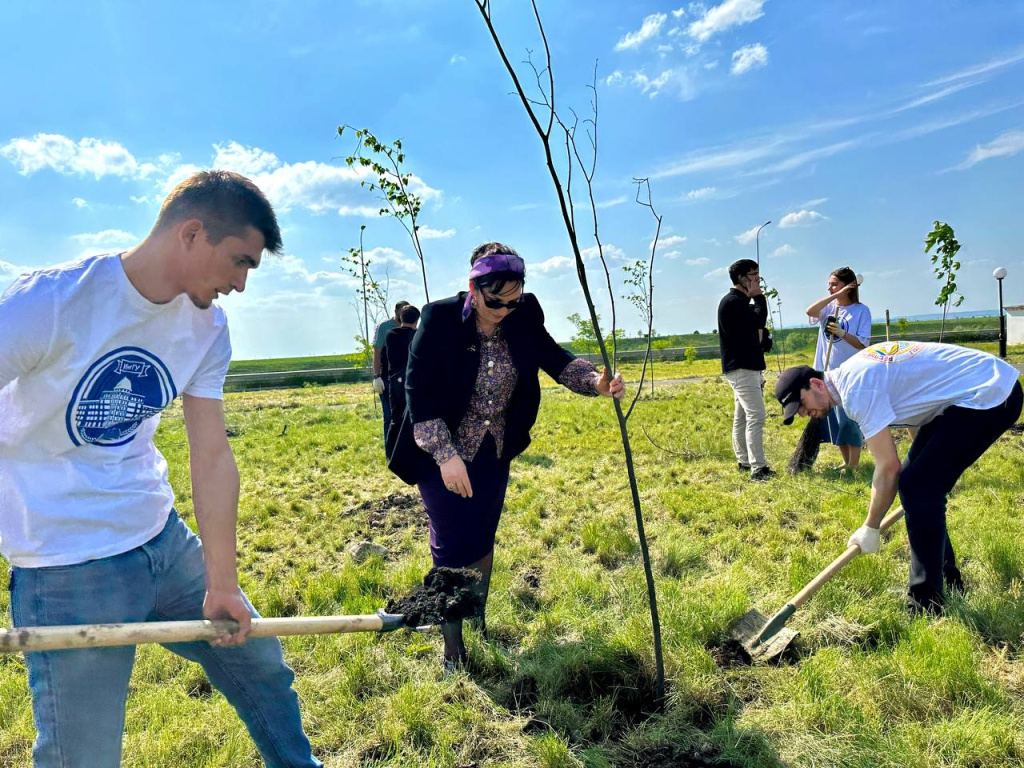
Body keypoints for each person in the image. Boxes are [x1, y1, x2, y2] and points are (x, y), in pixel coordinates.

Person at [0, 171, 322, 767]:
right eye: (239, 262)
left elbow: (213, 454)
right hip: (65, 566)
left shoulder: (206, 327)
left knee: (263, 671)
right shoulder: (50, 302)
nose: (242, 284)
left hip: (163, 543)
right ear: (191, 233)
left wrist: (221, 583)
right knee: (84, 755)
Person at [386, 242, 625, 670]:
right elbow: (416, 392)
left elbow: (555, 358)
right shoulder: (439, 318)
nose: (503, 310)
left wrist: (596, 382)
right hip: (439, 451)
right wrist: (445, 454)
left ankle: (476, 621)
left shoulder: (524, 314)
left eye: (512, 302)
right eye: (494, 301)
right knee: (450, 542)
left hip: (494, 448)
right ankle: (453, 647)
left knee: (481, 535)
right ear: (473, 288)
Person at [774, 341, 1022, 615]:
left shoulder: (856, 390)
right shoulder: (853, 375)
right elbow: (915, 404)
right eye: (798, 411)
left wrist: (871, 526)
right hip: (968, 394)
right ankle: (948, 581)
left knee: (918, 486)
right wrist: (927, 460)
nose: (804, 413)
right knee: (918, 484)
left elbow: (887, 467)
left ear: (816, 384)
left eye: (802, 404)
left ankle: (925, 603)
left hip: (990, 393)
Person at [803, 266, 872, 471]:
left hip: (849, 373)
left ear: (849, 286)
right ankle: (845, 461)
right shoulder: (829, 309)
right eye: (829, 285)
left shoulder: (861, 311)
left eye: (835, 284)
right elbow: (809, 311)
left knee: (848, 419)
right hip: (825, 372)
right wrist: (836, 296)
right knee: (834, 421)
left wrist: (842, 333)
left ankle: (854, 464)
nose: (830, 288)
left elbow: (863, 343)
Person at [717, 258, 776, 481]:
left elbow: (754, 328)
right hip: (742, 368)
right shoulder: (733, 302)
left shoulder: (737, 302)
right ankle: (758, 468)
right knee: (756, 415)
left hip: (743, 367)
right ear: (742, 279)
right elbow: (758, 319)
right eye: (754, 275)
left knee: (741, 416)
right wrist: (760, 296)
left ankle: (744, 461)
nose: (758, 279)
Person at [380, 303, 420, 436]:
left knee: (396, 419)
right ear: (416, 320)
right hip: (414, 381)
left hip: (395, 381)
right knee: (414, 418)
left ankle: (393, 452)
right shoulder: (418, 336)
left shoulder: (390, 334)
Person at [372, 300, 410, 437]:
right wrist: (376, 377)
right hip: (387, 379)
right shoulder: (384, 328)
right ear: (396, 312)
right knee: (389, 417)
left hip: (406, 378)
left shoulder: (411, 328)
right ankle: (390, 452)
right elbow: (377, 352)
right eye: (402, 312)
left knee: (406, 417)